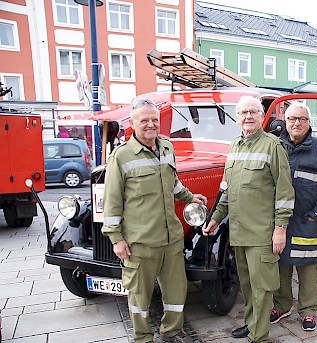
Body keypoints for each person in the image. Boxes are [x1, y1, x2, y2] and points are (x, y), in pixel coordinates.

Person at [102, 98, 207, 343]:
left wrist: (191, 196)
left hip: (171, 240)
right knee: (139, 297)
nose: (150, 124)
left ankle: (171, 332)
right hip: (141, 243)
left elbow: (173, 183)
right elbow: (112, 202)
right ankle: (143, 338)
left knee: (176, 293)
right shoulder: (121, 156)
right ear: (132, 123)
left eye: (154, 120)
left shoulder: (167, 148)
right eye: (144, 120)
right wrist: (117, 239)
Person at [203, 95, 294, 343]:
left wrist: (280, 229)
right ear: (237, 116)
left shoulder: (273, 146)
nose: (248, 117)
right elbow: (226, 189)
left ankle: (259, 335)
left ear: (262, 115)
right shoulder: (234, 146)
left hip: (263, 233)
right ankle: (252, 324)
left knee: (262, 288)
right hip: (240, 232)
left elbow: (285, 193)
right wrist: (215, 218)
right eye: (243, 113)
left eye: (253, 112)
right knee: (247, 286)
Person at [270, 102, 317, 331]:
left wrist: (316, 216)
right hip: (281, 220)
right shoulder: (277, 146)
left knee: (308, 267)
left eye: (302, 119)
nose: (296, 123)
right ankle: (281, 305)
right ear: (285, 122)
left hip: (308, 220)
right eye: (292, 119)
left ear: (309, 123)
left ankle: (308, 311)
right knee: (281, 265)